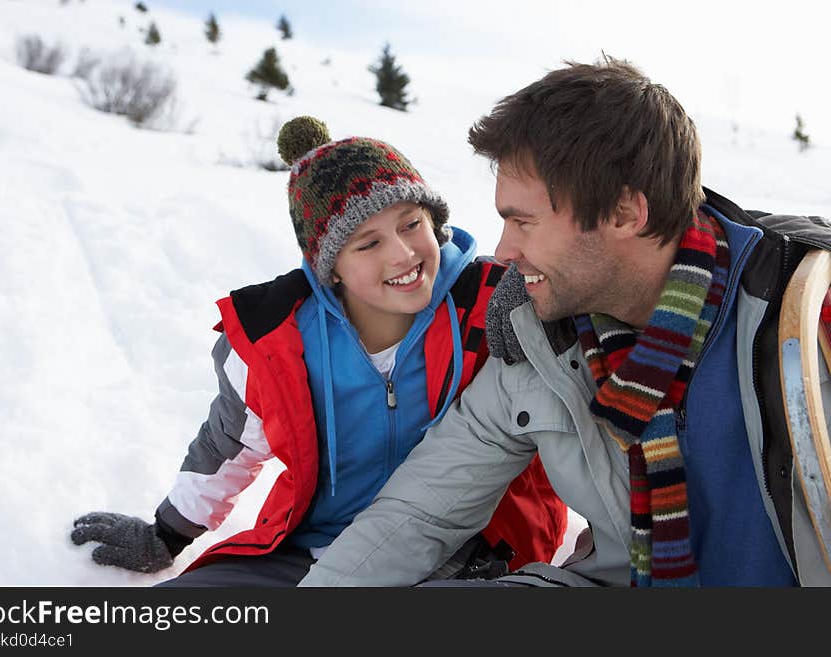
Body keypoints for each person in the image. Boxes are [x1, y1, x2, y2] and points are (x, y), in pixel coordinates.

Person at [298, 57, 831, 587]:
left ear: (624, 213)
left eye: (522, 222)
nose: (502, 252)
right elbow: (419, 512)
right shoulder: (540, 338)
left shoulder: (803, 312)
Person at [70, 116, 567, 586]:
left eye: (411, 223)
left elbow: (607, 327)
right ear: (330, 267)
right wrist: (166, 535)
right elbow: (229, 446)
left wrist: (540, 290)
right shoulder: (277, 341)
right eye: (367, 244)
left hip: (468, 554)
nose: (402, 253)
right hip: (315, 550)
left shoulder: (490, 306)